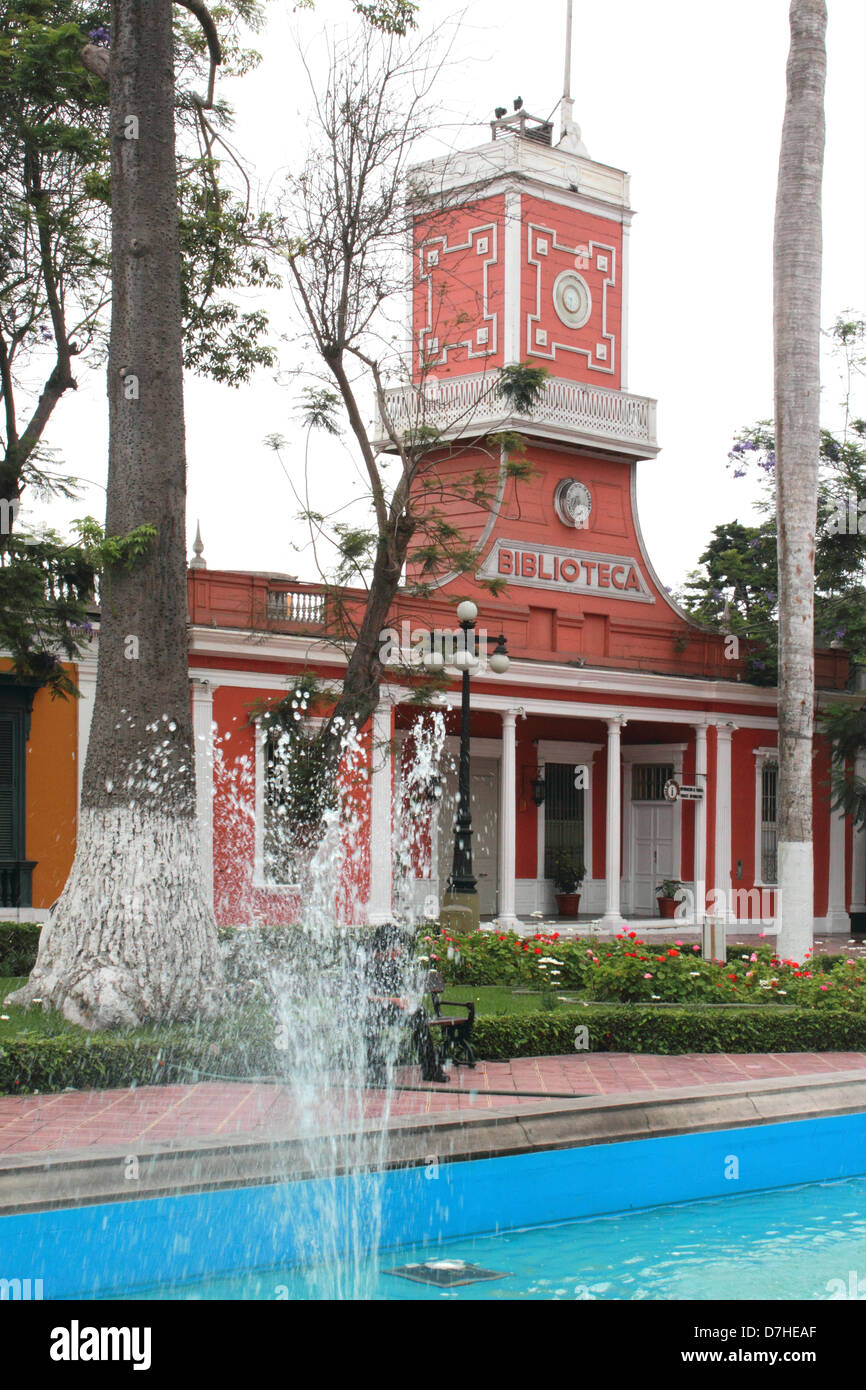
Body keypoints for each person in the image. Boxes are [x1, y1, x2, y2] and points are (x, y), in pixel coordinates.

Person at [364, 924, 448, 1084]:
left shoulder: (391, 965)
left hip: (387, 1010)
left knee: (419, 1014)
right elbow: (364, 996)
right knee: (371, 1023)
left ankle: (430, 1069)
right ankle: (376, 1071)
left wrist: (406, 999)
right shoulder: (366, 962)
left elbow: (401, 989)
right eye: (398, 947)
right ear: (387, 945)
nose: (401, 951)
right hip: (367, 1011)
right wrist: (393, 1001)